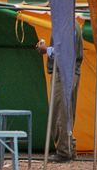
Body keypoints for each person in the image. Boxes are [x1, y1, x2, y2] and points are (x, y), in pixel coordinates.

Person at [35, 19, 83, 163]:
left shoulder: (68, 25)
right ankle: (69, 148)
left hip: (65, 73)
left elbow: (67, 51)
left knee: (61, 113)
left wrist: (47, 49)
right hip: (63, 72)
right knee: (61, 112)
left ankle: (64, 151)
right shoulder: (68, 23)